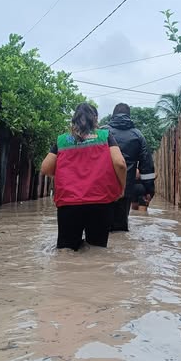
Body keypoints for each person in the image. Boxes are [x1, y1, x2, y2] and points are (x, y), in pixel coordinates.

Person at [41, 103, 127, 251]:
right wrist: (122, 188)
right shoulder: (105, 136)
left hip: (68, 202)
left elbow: (45, 168)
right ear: (95, 119)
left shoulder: (62, 140)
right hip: (101, 201)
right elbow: (120, 164)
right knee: (97, 251)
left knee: (66, 251)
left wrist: (67, 174)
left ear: (74, 119)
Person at [104, 103, 155, 231]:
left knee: (99, 229)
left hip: (101, 188)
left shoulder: (101, 132)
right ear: (129, 116)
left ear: (113, 115)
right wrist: (149, 190)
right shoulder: (138, 136)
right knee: (120, 230)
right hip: (125, 189)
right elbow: (147, 166)